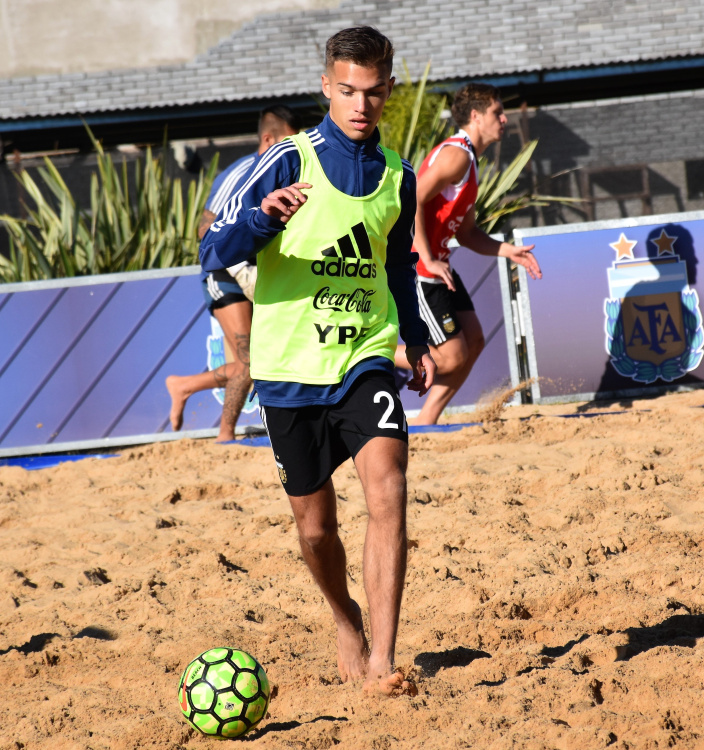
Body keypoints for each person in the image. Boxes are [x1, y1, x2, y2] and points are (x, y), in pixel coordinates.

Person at [199, 26, 435, 697]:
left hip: (364, 356)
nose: (361, 105)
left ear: (389, 91)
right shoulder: (286, 161)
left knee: (388, 488)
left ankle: (383, 663)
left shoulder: (400, 177)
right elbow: (211, 251)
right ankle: (344, 617)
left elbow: (397, 264)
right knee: (315, 529)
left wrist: (414, 335)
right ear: (327, 86)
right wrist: (262, 220)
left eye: (373, 92)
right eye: (347, 91)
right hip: (289, 367)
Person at [393, 83, 542, 425]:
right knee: (450, 357)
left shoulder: (470, 161)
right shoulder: (457, 154)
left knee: (473, 342)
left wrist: (508, 250)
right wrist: (427, 257)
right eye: (497, 113)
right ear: (475, 116)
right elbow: (410, 199)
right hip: (419, 266)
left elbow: (467, 233)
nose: (504, 119)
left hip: (437, 263)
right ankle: (362, 353)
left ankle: (425, 423)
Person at [165, 105, 300, 441]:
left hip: (263, 272)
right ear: (267, 140)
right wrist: (240, 260)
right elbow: (205, 229)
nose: (294, 149)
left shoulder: (294, 170)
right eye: (288, 142)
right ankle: (225, 436)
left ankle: (185, 385)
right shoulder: (242, 172)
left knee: (265, 359)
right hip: (226, 272)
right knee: (249, 362)